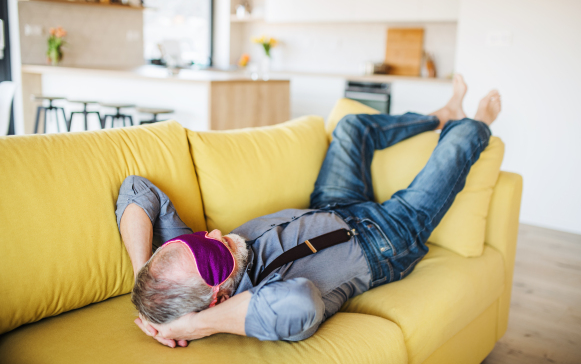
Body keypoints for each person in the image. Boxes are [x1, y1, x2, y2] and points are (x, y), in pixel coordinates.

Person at [115, 75, 501, 348]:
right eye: (211, 254)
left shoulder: (188, 264)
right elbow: (300, 305)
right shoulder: (262, 304)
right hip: (385, 238)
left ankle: (440, 114)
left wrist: (140, 280)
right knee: (462, 139)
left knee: (351, 126)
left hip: (332, 205)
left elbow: (137, 188)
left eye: (197, 241)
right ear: (216, 299)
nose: (213, 236)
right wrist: (196, 325)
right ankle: (474, 121)